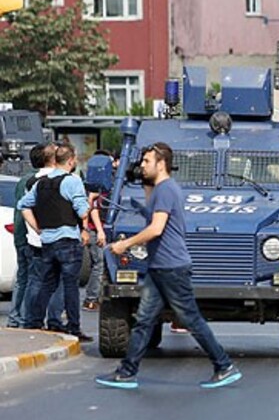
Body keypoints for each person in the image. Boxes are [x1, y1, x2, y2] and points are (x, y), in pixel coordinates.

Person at [96, 143, 240, 389]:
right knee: (143, 320)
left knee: (191, 319)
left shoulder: (166, 189)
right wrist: (141, 179)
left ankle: (224, 365)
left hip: (171, 266)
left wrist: (125, 245)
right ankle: (127, 372)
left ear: (161, 164)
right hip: (160, 266)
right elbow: (151, 211)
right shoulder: (161, 189)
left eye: (147, 162)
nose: (143, 165)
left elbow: (156, 228)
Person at [17, 142, 91, 342]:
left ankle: (34, 322)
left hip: (47, 241)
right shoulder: (72, 181)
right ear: (71, 160)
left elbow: (23, 205)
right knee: (70, 286)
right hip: (68, 240)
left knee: (45, 283)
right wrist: (89, 204)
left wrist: (37, 227)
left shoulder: (40, 183)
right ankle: (73, 327)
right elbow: (82, 211)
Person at [6, 144, 46, 328]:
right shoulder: (38, 180)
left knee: (23, 278)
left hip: (20, 234)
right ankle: (24, 318)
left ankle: (14, 318)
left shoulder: (23, 179)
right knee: (32, 279)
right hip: (32, 235)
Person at [82, 150, 115, 312]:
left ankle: (97, 296)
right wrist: (99, 230)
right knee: (99, 263)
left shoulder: (109, 185)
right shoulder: (96, 189)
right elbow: (92, 209)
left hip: (101, 228)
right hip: (97, 229)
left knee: (102, 264)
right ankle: (91, 298)